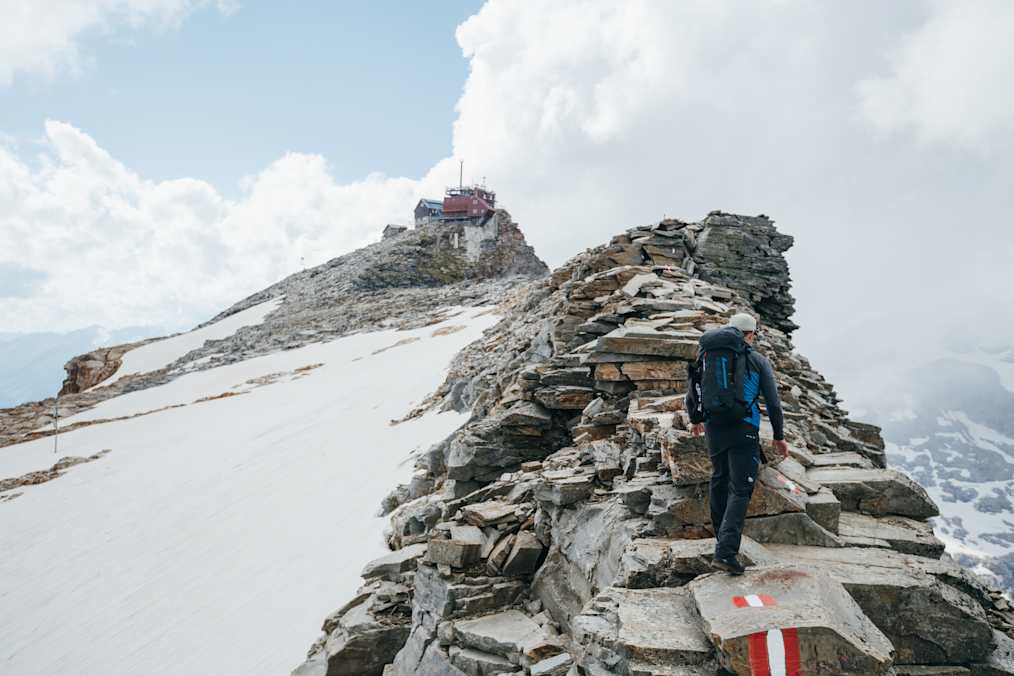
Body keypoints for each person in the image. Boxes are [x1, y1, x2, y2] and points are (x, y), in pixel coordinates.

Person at [686, 312, 789, 575]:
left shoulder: (707, 354)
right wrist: (779, 436)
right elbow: (774, 404)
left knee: (719, 479)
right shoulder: (757, 360)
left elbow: (693, 385)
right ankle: (726, 553)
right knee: (741, 489)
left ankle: (722, 542)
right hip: (744, 428)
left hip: (713, 426)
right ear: (751, 334)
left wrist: (695, 417)